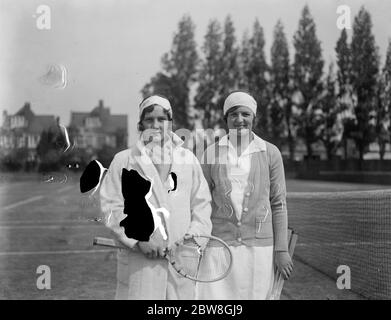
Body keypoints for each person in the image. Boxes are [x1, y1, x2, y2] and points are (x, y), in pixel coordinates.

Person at [100, 95, 212, 299]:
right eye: (149, 119)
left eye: (162, 119)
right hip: (139, 265)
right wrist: (138, 240)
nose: (156, 125)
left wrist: (191, 240)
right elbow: (112, 208)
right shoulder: (123, 160)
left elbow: (202, 206)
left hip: (180, 261)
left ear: (171, 124)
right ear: (140, 124)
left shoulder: (188, 160)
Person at [197, 91, 293, 300]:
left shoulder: (270, 153)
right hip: (219, 246)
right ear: (226, 119)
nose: (239, 120)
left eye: (245, 114)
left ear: (253, 118)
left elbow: (279, 203)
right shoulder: (211, 153)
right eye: (233, 114)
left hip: (259, 250)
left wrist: (281, 250)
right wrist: (199, 242)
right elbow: (201, 203)